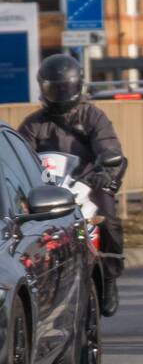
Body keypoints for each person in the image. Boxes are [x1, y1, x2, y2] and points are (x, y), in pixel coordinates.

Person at [19, 54, 128, 316]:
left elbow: (109, 148)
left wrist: (105, 171)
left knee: (109, 217)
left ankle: (110, 274)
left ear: (78, 86)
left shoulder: (92, 117)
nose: (60, 93)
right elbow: (21, 156)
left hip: (87, 185)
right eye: (54, 88)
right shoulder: (34, 124)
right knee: (19, 227)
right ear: (43, 88)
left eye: (65, 88)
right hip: (47, 190)